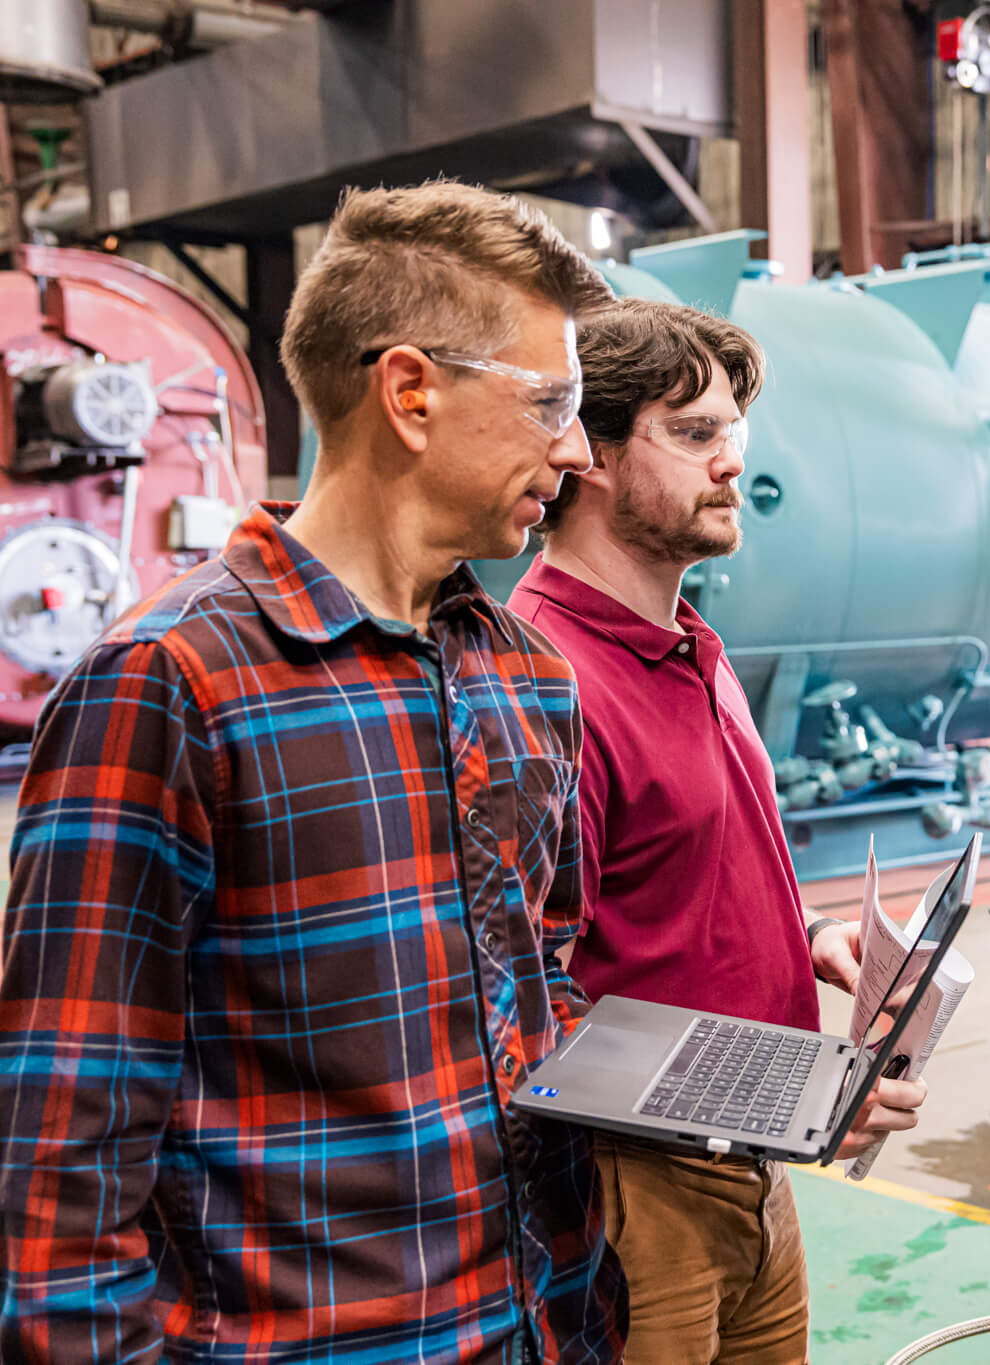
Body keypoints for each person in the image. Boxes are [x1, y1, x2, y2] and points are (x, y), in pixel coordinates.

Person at [0, 181, 627, 1363]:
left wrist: (699, 1086)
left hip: (544, 1324)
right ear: (409, 391)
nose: (578, 450)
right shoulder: (172, 684)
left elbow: (536, 988)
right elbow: (61, 1144)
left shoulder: (527, 679)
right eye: (551, 401)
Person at [507, 297, 929, 1363]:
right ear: (588, 455)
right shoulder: (545, 683)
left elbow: (681, 867)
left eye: (731, 432)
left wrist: (805, 932)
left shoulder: (692, 644)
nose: (730, 464)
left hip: (751, 1171)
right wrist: (796, 1095)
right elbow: (528, 1000)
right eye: (693, 435)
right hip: (635, 1191)